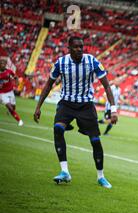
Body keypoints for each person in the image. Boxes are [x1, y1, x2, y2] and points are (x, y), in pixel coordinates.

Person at [33, 36, 118, 188]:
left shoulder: (92, 61)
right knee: (58, 129)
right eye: (76, 47)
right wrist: (38, 106)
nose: (80, 49)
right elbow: (48, 85)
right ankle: (65, 171)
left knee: (95, 141)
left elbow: (107, 86)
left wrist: (113, 110)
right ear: (69, 48)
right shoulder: (61, 63)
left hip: (86, 105)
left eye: (81, 47)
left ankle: (101, 176)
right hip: (66, 104)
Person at [0, 58, 23, 126]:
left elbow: (15, 77)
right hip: (2, 93)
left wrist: (17, 83)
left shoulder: (9, 71)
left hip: (10, 92)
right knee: (10, 108)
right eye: (2, 64)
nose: (3, 65)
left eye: (4, 64)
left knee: (13, 107)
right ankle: (20, 120)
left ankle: (11, 111)